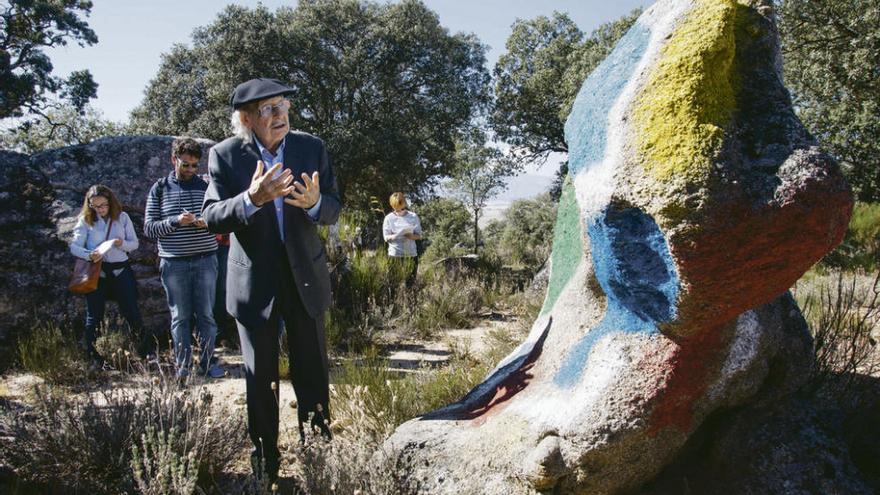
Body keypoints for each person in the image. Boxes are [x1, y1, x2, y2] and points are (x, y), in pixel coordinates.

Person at [202, 78, 342, 482]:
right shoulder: (225, 156)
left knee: (312, 373)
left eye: (283, 106)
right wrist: (252, 199)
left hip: (305, 278)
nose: (281, 115)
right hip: (254, 283)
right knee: (260, 379)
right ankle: (265, 468)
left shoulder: (310, 147)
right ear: (247, 119)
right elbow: (211, 214)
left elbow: (333, 205)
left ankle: (319, 461)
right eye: (269, 109)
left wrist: (316, 204)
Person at [144, 137, 224, 379]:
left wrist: (207, 223)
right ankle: (183, 367)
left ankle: (208, 364)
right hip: (173, 262)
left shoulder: (208, 186)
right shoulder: (159, 188)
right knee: (180, 316)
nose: (190, 170)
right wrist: (175, 221)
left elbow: (221, 221)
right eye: (185, 164)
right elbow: (149, 229)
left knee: (207, 315)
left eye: (194, 165)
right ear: (173, 160)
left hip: (206, 259)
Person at [70, 185, 146, 369]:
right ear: (89, 205)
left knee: (132, 312)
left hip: (121, 271)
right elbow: (74, 246)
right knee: (94, 316)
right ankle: (93, 357)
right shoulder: (85, 221)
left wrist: (121, 244)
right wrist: (90, 254)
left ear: (110, 202)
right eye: (96, 206)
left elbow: (134, 244)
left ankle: (145, 353)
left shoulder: (122, 218)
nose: (100, 209)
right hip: (98, 273)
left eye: (104, 205)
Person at [383, 192, 422, 286]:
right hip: (395, 255)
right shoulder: (389, 218)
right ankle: (392, 301)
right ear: (392, 206)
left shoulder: (413, 216)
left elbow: (419, 235)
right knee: (393, 284)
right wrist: (395, 236)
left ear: (404, 203)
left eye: (401, 207)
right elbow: (386, 237)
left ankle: (409, 300)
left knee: (410, 284)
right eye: (396, 208)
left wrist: (411, 236)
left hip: (411, 255)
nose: (399, 210)